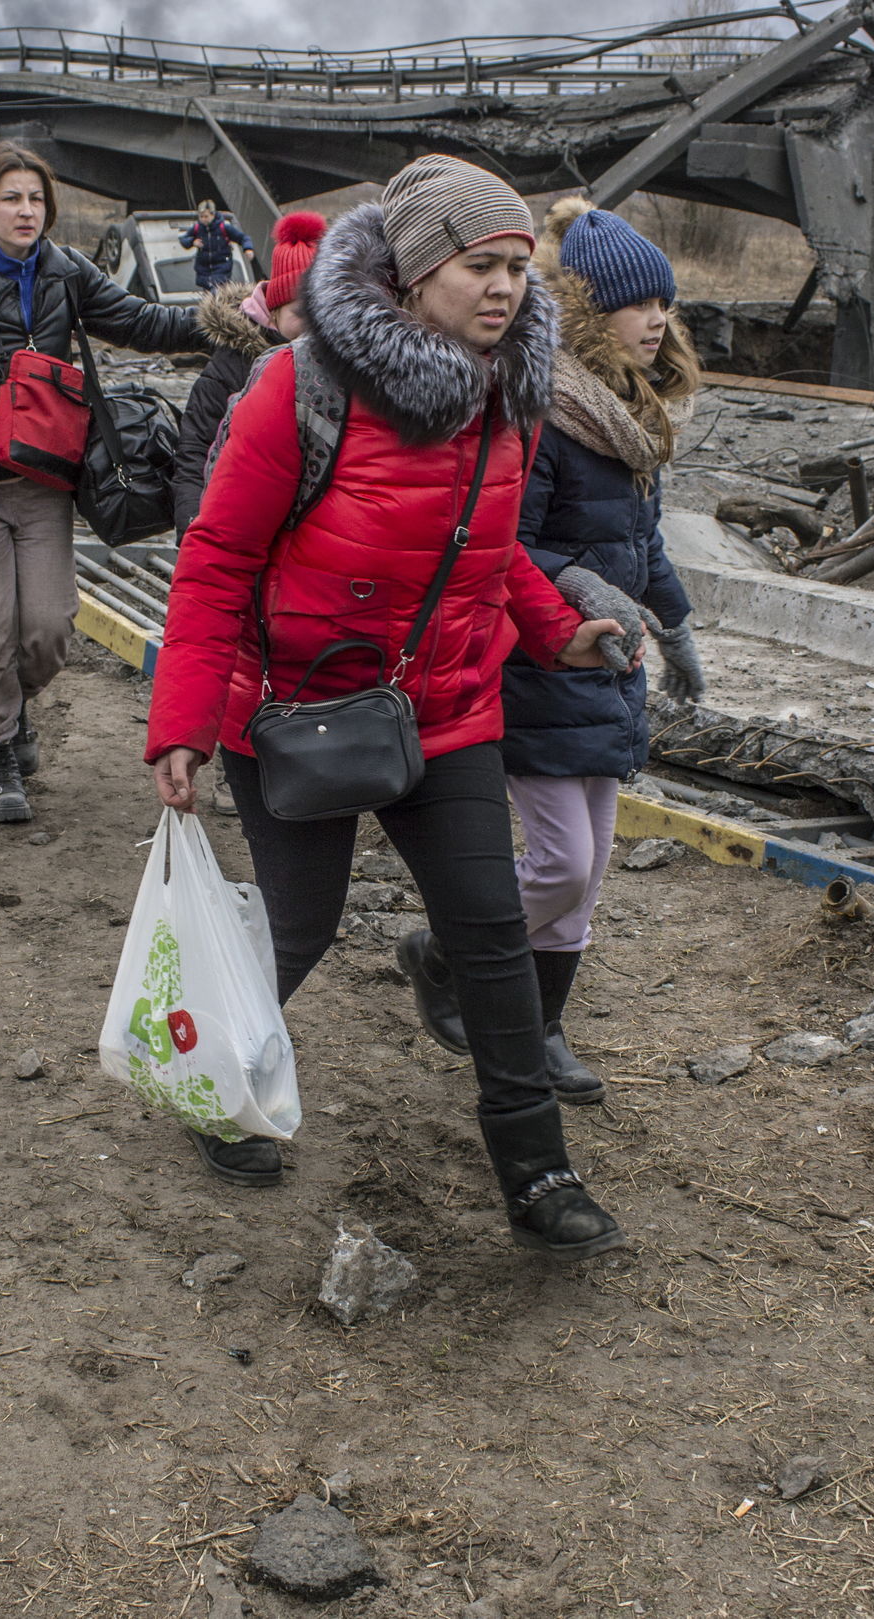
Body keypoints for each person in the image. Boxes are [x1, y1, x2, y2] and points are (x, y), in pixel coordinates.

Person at [146, 154, 633, 1260]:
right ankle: (218, 1087)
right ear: (414, 274)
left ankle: (538, 1170)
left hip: (446, 707)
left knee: (491, 934)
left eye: (518, 267)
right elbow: (217, 556)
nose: (505, 288)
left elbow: (489, 548)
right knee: (301, 923)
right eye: (479, 266)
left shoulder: (507, 393)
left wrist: (559, 629)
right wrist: (179, 722)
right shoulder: (298, 388)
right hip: (294, 709)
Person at [410, 200, 707, 1107]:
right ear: (587, 313)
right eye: (636, 304)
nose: (657, 320)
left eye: (664, 302)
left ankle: (540, 1030)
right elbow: (505, 542)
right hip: (545, 662)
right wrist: (579, 593)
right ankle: (445, 951)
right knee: (562, 861)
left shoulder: (632, 419)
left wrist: (679, 625)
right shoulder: (548, 410)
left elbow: (643, 542)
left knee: (590, 867)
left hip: (614, 668)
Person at [0, 140, 199, 824]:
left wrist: (228, 320)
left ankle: (10, 704)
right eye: (11, 198)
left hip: (41, 475)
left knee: (48, 628)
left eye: (35, 199)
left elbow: (141, 321)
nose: (27, 211)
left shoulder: (66, 273)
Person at [170, 211, 324, 531]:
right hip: (241, 523)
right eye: (300, 312)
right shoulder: (230, 369)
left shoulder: (339, 369)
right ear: (274, 308)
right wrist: (192, 531)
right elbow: (194, 457)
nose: (312, 325)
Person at [178, 199, 252, 292]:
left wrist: (248, 248)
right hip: (203, 270)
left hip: (221, 267)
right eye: (201, 217)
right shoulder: (197, 228)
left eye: (206, 216)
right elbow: (183, 239)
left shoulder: (224, 228)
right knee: (208, 293)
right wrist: (192, 241)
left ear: (213, 215)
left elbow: (243, 238)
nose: (203, 219)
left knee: (217, 290)